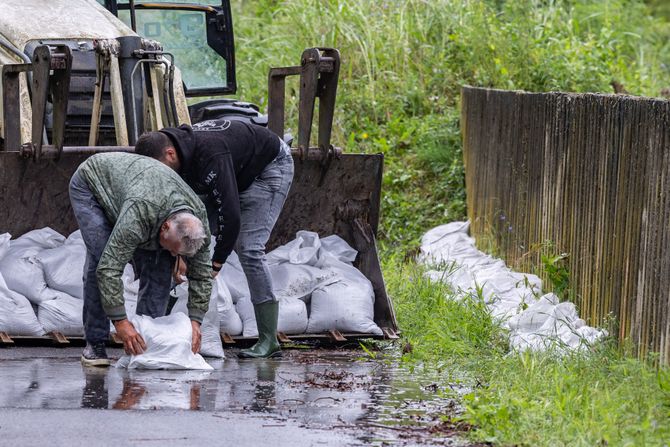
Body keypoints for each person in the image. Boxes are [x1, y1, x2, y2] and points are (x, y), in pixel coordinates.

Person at [135, 119, 294, 358]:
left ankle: (269, 340)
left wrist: (215, 265)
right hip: (235, 168)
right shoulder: (179, 151)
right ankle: (160, 323)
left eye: (161, 168)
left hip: (268, 168)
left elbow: (230, 217)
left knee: (249, 249)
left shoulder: (210, 155)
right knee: (187, 230)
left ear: (170, 153)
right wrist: (178, 253)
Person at [69, 152, 212, 367]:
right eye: (174, 249)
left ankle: (146, 343)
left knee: (161, 265)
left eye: (179, 253)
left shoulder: (198, 226)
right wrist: (121, 323)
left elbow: (202, 275)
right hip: (93, 186)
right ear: (165, 226)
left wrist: (196, 320)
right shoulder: (140, 213)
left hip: (139, 192)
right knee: (100, 259)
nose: (175, 256)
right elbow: (109, 270)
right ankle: (95, 342)